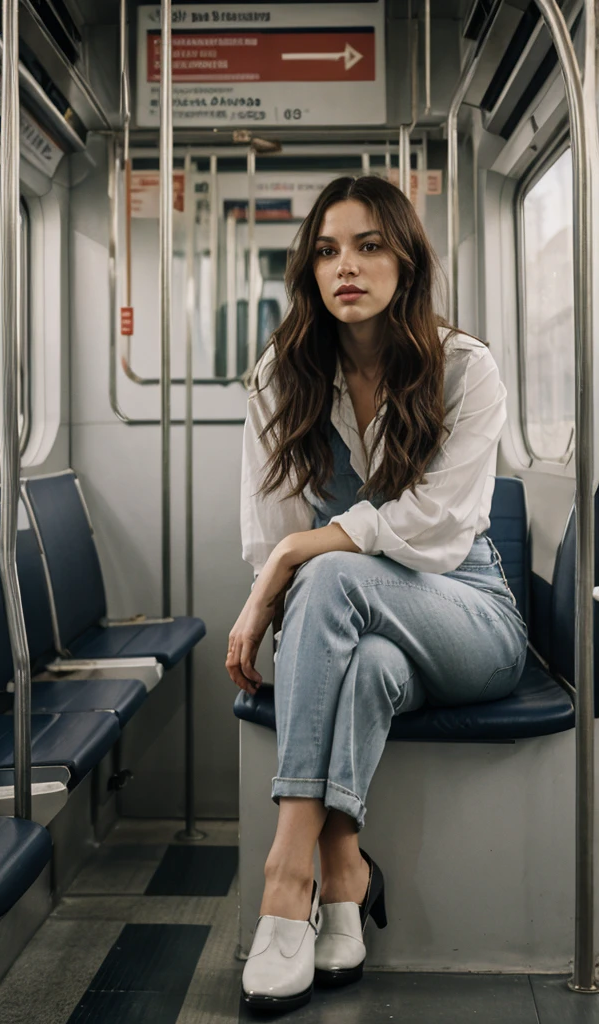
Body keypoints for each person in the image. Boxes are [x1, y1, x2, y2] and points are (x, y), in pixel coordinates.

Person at [226, 175, 528, 1013]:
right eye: (326, 251)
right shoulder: (275, 380)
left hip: (470, 615)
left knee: (325, 570)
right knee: (365, 659)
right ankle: (348, 878)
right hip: (364, 627)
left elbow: (435, 527)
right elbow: (270, 537)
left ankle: (288, 883)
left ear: (406, 259)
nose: (344, 266)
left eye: (366, 246)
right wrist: (281, 568)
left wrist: (294, 556)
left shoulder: (465, 368)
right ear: (308, 272)